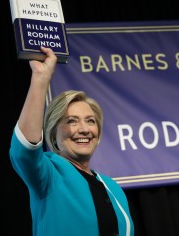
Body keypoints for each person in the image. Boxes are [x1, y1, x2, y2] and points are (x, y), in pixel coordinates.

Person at [9, 46, 134, 236]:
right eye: (71, 121)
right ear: (53, 133)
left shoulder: (113, 187)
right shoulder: (48, 174)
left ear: (98, 133)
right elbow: (24, 150)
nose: (83, 129)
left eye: (90, 121)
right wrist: (40, 79)